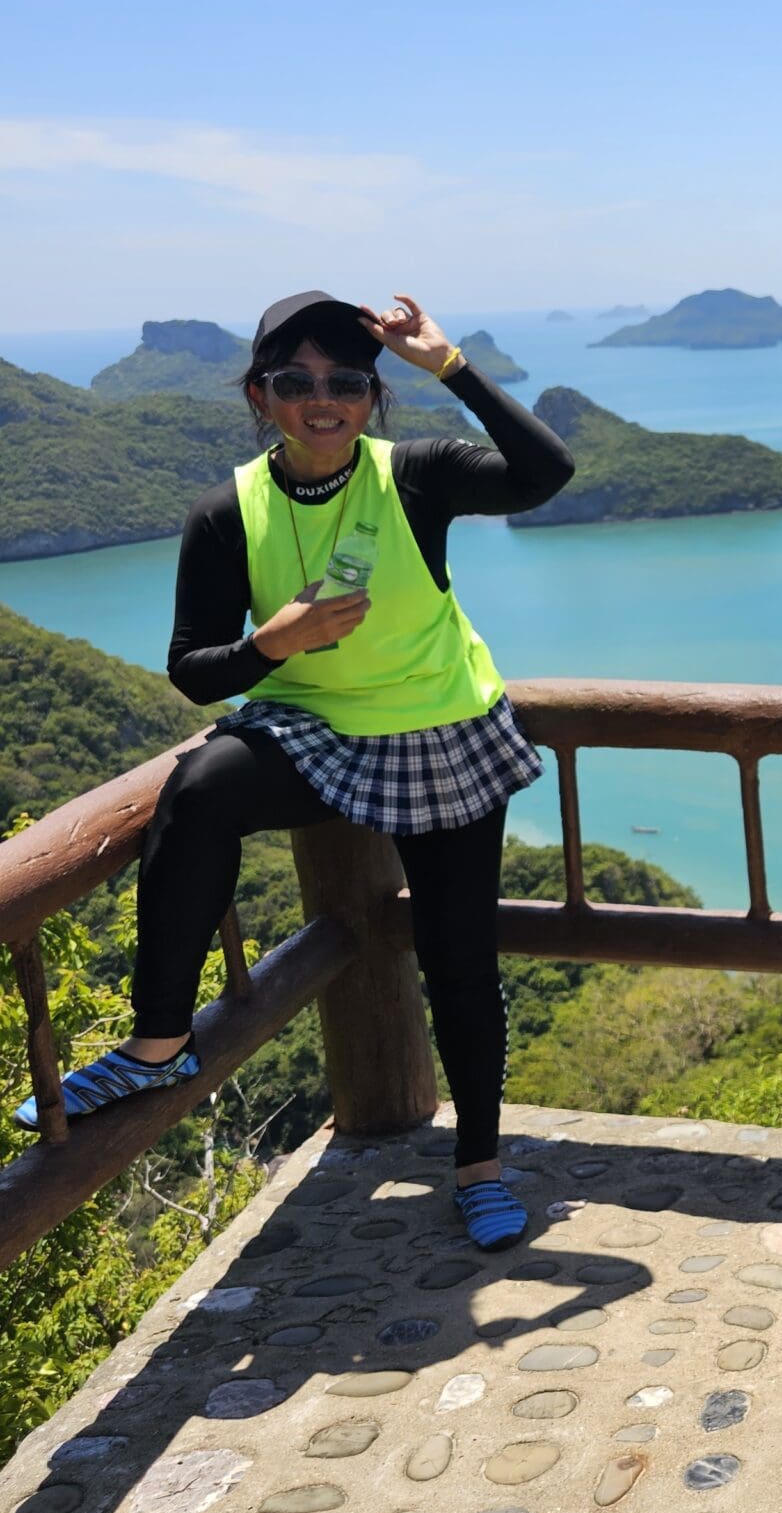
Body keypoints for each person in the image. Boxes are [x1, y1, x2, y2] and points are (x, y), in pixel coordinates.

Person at [12, 291, 573, 1252]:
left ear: (371, 397)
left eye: (347, 382)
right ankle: (159, 1042)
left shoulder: (417, 476)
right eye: (296, 381)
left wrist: (450, 365)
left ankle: (479, 1164)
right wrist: (273, 644)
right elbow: (195, 669)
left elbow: (544, 473)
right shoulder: (228, 513)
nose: (324, 400)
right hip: (315, 729)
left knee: (458, 959)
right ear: (259, 395)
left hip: (440, 729)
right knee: (199, 790)